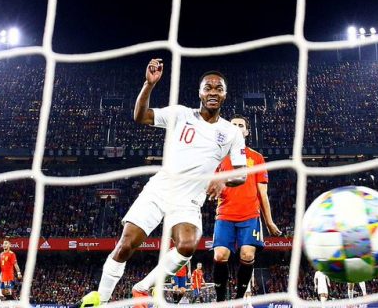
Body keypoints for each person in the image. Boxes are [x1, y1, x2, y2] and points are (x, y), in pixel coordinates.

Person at [93, 59, 248, 307]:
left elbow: (242, 174)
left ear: (225, 95)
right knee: (125, 246)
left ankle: (142, 288)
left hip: (188, 200)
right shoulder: (181, 114)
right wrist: (149, 84)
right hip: (159, 190)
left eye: (218, 89)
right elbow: (140, 116)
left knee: (187, 245)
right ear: (200, 92)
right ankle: (100, 300)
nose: (213, 92)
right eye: (208, 88)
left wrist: (222, 179)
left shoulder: (232, 132)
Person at [211, 114, 281, 301]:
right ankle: (220, 300)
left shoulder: (256, 158)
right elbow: (209, 184)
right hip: (225, 215)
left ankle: (239, 298)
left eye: (240, 125)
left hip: (250, 216)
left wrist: (269, 222)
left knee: (248, 255)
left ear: (247, 132)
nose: (236, 127)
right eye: (233, 124)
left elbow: (262, 193)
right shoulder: (218, 157)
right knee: (220, 255)